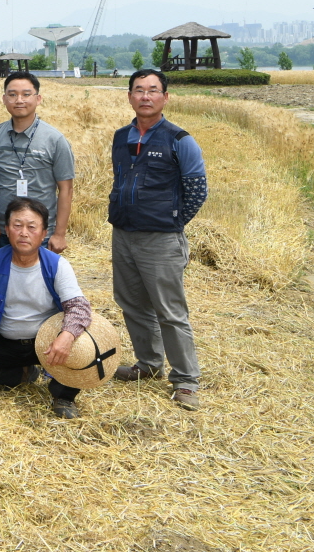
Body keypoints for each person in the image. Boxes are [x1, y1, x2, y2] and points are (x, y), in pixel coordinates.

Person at [108, 69, 208, 411]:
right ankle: (148, 364)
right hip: (123, 235)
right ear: (130, 96)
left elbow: (197, 189)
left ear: (165, 97)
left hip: (161, 240)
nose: (145, 96)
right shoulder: (121, 137)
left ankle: (186, 381)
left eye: (153, 90)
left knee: (169, 311)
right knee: (132, 303)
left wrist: (173, 222)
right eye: (139, 90)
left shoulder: (179, 139)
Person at [0, 198, 92, 418]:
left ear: (43, 233)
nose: (23, 233)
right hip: (3, 341)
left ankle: (63, 396)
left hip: (46, 342)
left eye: (31, 227)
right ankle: (22, 373)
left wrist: (66, 336)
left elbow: (79, 307)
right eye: (17, 225)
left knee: (81, 349)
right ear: (7, 229)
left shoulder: (57, 265)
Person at [0, 72, 75, 253]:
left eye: (26, 94)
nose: (19, 100)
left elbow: (66, 189)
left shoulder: (55, 140)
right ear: (4, 99)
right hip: (2, 231)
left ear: (38, 99)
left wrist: (59, 233)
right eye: (12, 95)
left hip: (40, 233)